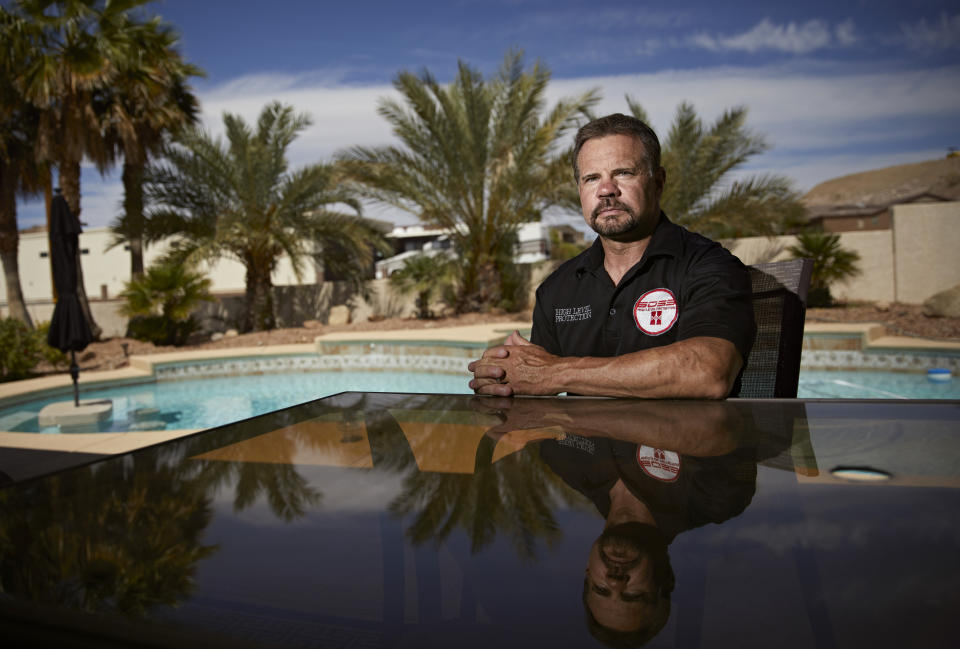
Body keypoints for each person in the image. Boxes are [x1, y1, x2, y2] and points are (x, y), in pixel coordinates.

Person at [468, 113, 756, 399]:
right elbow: (537, 395)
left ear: (658, 182)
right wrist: (503, 375)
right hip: (579, 444)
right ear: (580, 190)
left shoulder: (708, 265)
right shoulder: (557, 289)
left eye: (623, 173)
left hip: (676, 443)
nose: (606, 190)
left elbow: (708, 372)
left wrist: (555, 373)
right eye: (592, 178)